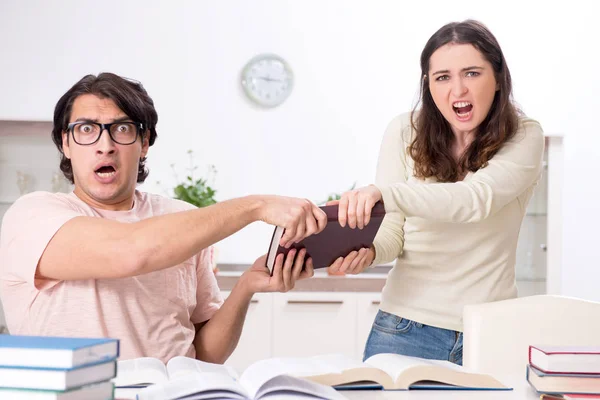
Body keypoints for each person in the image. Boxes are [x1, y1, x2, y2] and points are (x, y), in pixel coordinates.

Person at [0, 72, 327, 364]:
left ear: (144, 143)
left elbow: (206, 356)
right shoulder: (31, 216)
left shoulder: (181, 218)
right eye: (86, 129)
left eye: (122, 129)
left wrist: (246, 286)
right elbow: (131, 251)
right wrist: (255, 206)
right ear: (65, 142)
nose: (105, 145)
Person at [328, 20, 545, 365]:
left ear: (498, 77)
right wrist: (368, 253)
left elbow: (475, 201)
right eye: (442, 77)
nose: (457, 90)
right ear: (428, 85)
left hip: (491, 333)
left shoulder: (524, 136)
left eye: (472, 73)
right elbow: (393, 234)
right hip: (401, 330)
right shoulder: (404, 131)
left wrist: (385, 193)